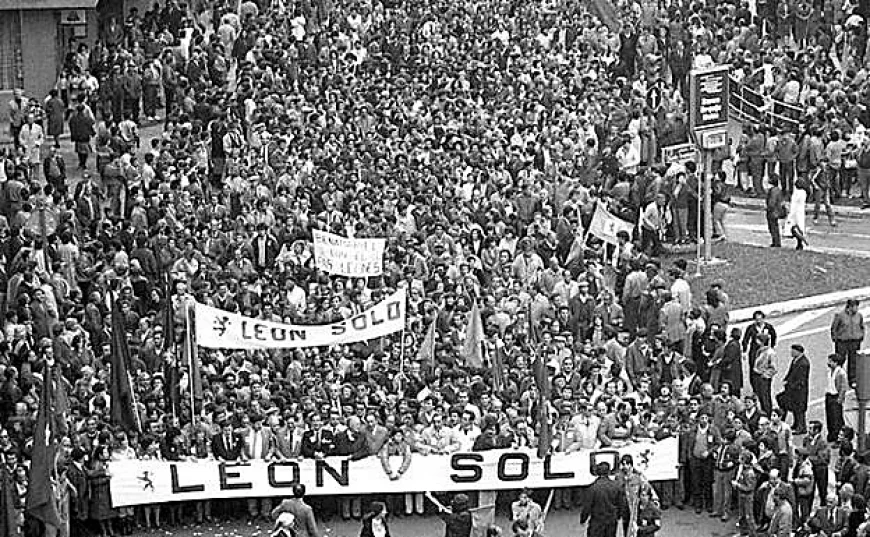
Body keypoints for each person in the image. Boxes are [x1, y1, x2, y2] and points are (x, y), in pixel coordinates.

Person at [580, 462, 628, 537]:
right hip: (611, 521)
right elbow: (621, 503)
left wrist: (583, 519)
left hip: (597, 521)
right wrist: (618, 515)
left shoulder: (593, 488)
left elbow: (587, 506)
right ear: (609, 472)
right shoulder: (616, 486)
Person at [831, 299, 866, 387]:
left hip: (855, 341)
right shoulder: (840, 316)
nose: (857, 308)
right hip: (842, 342)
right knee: (840, 360)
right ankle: (838, 379)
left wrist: (861, 336)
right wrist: (836, 339)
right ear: (849, 307)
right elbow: (834, 328)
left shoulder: (859, 316)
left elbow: (862, 326)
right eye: (855, 306)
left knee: (853, 361)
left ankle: (852, 379)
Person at [777, 344, 810, 434]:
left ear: (798, 352)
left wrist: (790, 385)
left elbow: (801, 379)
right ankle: (796, 424)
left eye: (793, 351)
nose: (791, 353)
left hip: (799, 390)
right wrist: (786, 379)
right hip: (792, 389)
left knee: (799, 409)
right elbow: (790, 372)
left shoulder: (803, 363)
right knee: (791, 405)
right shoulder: (795, 360)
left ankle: (801, 427)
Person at [826, 353, 849, 443]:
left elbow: (843, 387)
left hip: (835, 397)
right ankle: (831, 434)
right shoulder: (830, 371)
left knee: (836, 418)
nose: (828, 363)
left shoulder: (841, 373)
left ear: (836, 363)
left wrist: (840, 398)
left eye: (830, 361)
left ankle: (838, 438)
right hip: (829, 395)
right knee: (830, 417)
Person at [784, 179, 809, 250]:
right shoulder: (803, 192)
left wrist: (791, 213)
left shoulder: (797, 193)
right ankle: (799, 242)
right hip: (800, 211)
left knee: (794, 227)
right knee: (799, 227)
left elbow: (794, 204)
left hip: (796, 212)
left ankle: (800, 241)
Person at [765, 175, 786, 247]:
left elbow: (772, 202)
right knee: (774, 227)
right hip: (776, 211)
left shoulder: (773, 190)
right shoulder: (777, 190)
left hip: (773, 212)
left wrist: (769, 208)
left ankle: (776, 242)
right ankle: (776, 241)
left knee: (773, 227)